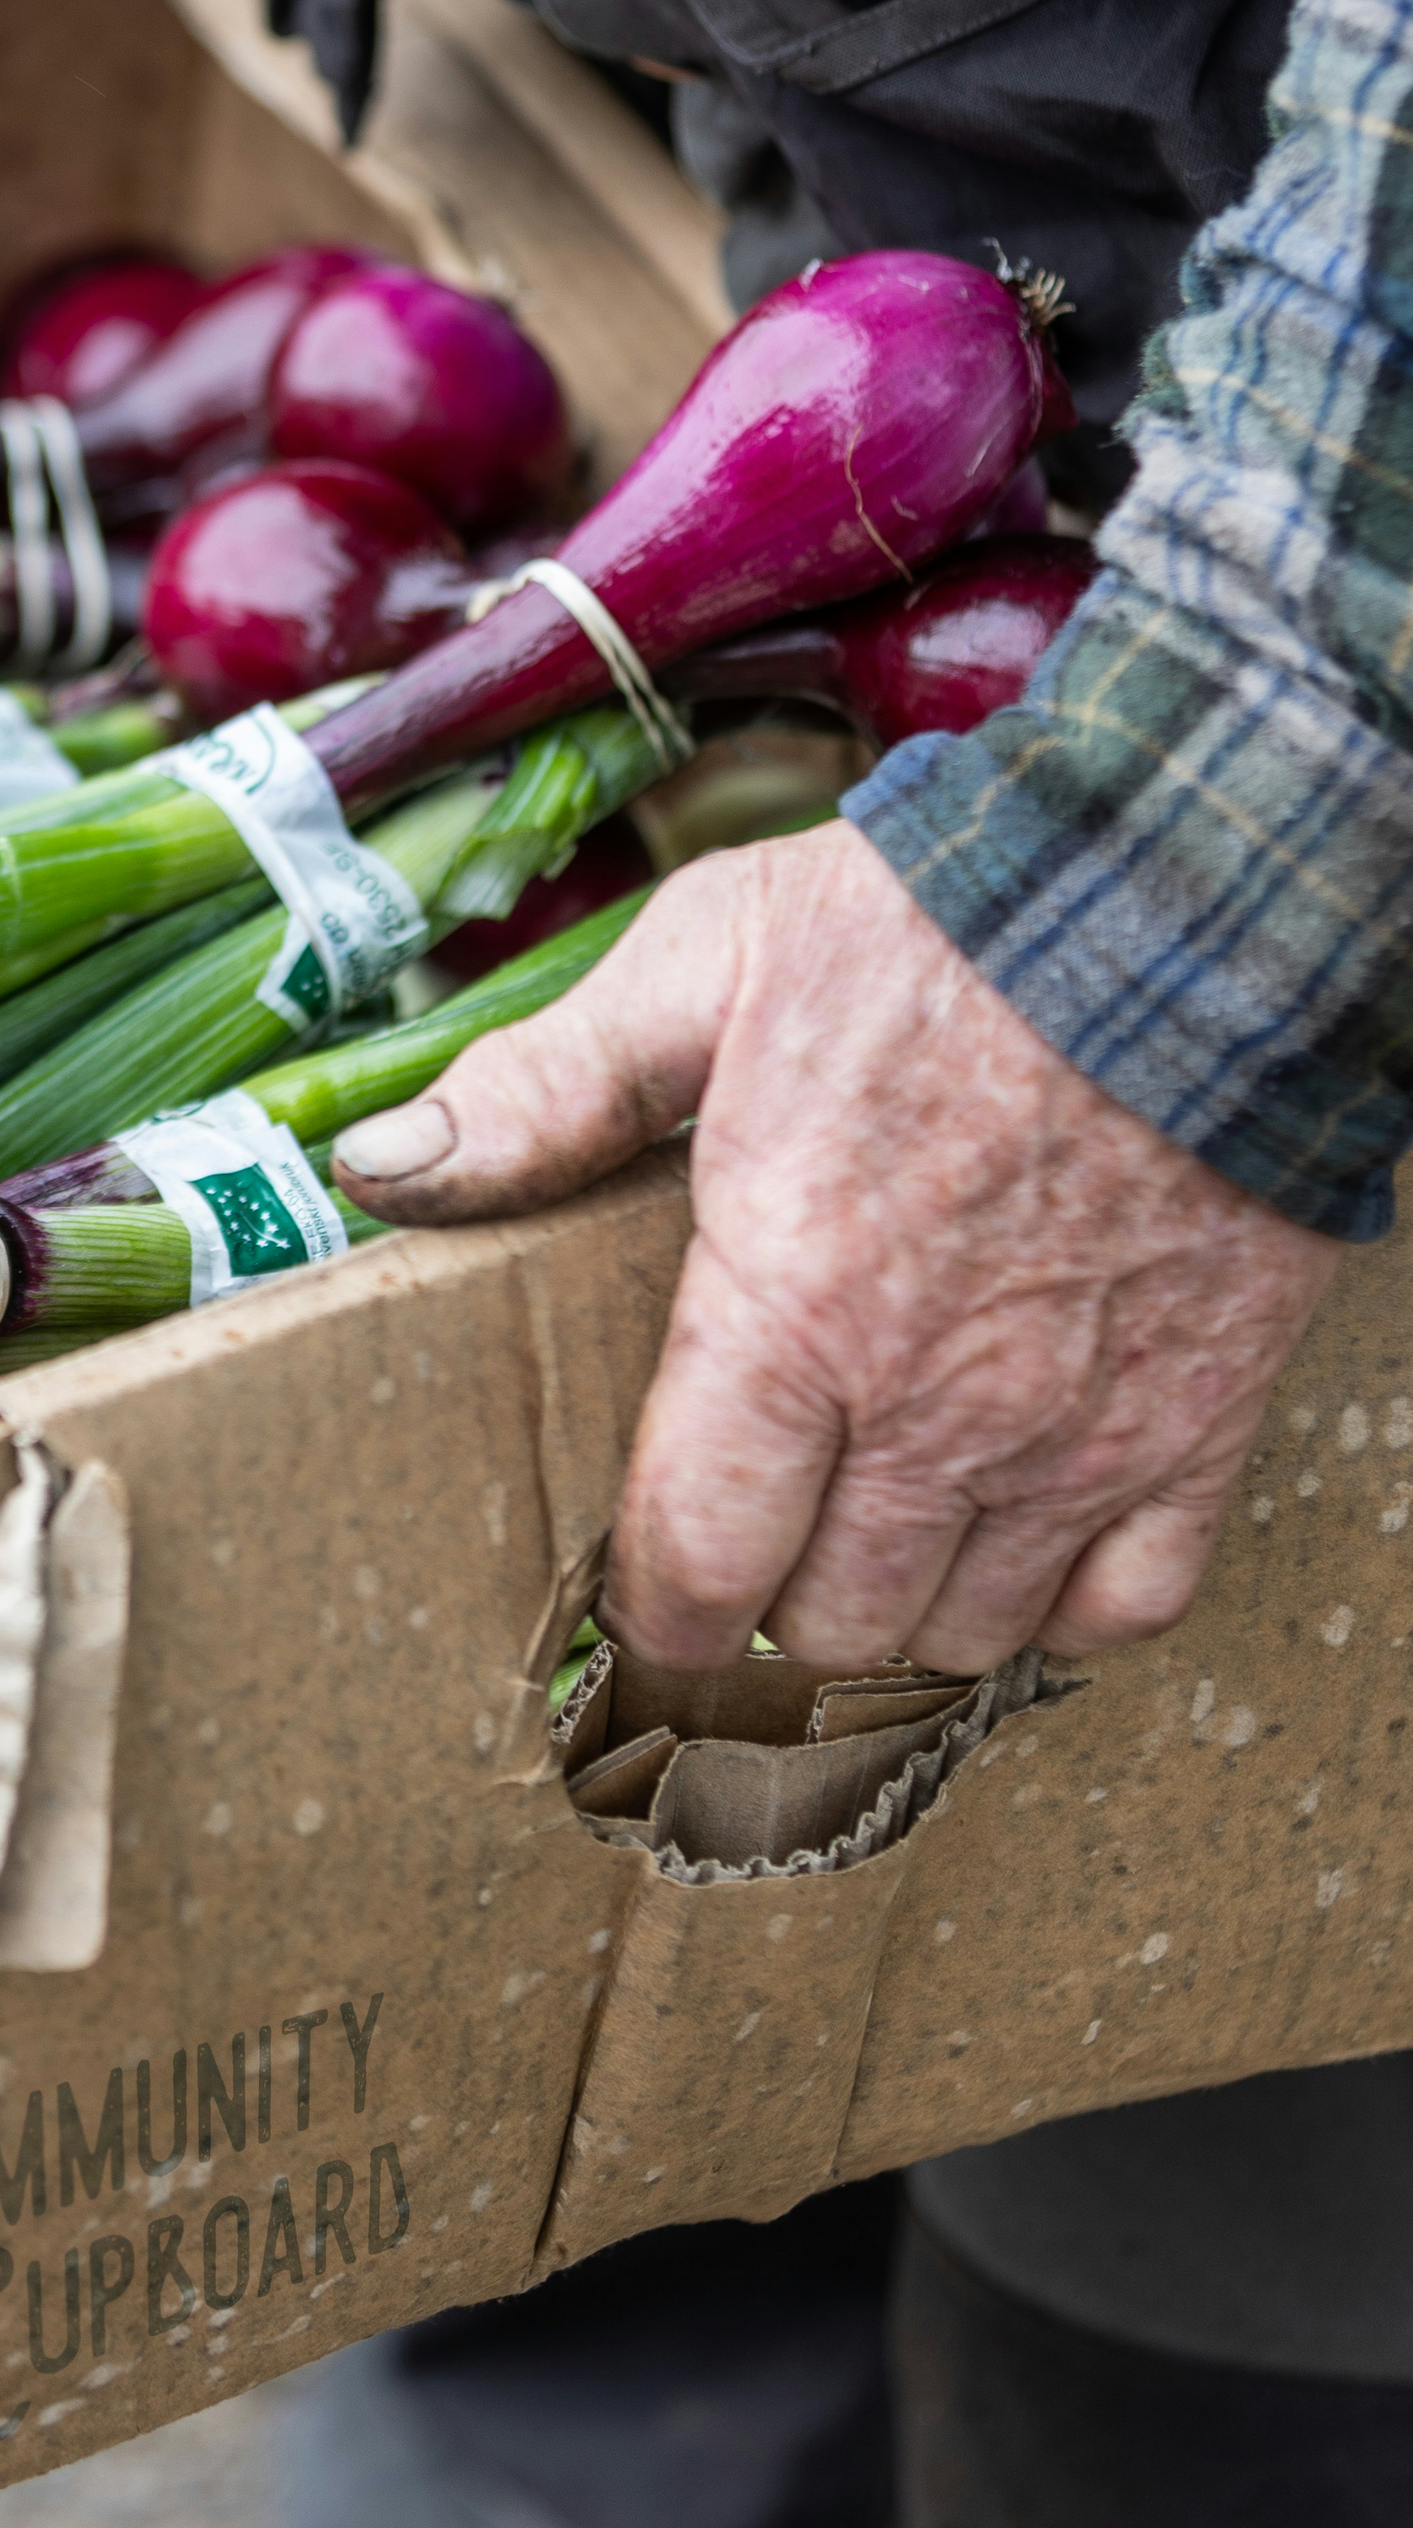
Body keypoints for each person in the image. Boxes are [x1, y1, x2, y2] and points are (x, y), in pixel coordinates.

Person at [265, 2, 1413, 2521]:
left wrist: (1188, 876)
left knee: (1209, 2256)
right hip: (871, 269)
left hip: (1311, 543)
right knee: (598, 2205)